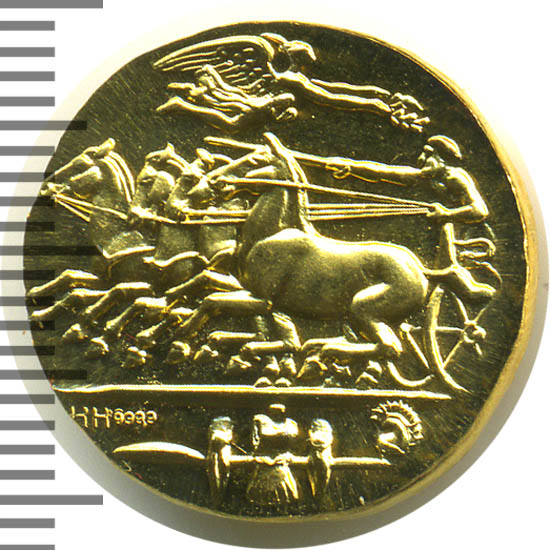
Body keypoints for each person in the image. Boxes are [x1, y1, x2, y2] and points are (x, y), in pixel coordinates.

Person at [324, 134, 488, 224]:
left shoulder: (455, 177)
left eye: (428, 154)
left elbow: (479, 210)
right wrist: (351, 167)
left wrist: (447, 214)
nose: (422, 159)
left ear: (441, 158)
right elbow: (383, 171)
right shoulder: (424, 177)